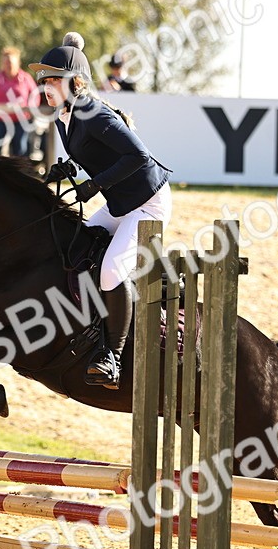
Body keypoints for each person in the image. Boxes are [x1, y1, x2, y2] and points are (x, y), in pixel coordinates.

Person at [30, 32, 172, 389]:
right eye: (43, 80)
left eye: (51, 80)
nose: (45, 86)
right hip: (121, 204)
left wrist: (94, 185)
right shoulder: (64, 117)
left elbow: (138, 155)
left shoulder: (93, 112)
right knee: (75, 246)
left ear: (73, 82)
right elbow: (92, 154)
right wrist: (67, 170)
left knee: (109, 271)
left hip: (148, 204)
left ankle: (112, 357)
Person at [0, 47, 40, 157]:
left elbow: (35, 95)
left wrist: (28, 108)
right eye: (6, 62)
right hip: (0, 120)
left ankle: (19, 168)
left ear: (18, 63)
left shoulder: (26, 78)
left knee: (21, 150)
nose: (8, 65)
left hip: (20, 120)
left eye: (10, 62)